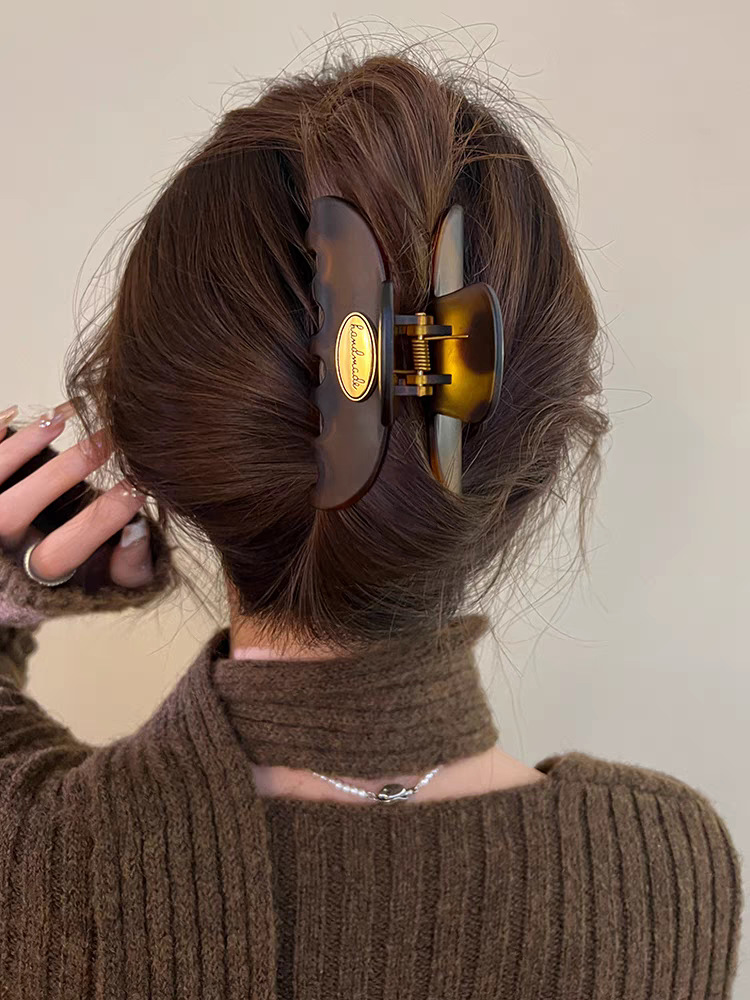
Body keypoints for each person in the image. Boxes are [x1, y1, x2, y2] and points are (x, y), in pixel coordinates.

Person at [0, 52, 741, 1000]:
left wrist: (15, 594)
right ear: (541, 447)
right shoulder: (666, 869)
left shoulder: (30, 855)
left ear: (148, 451)